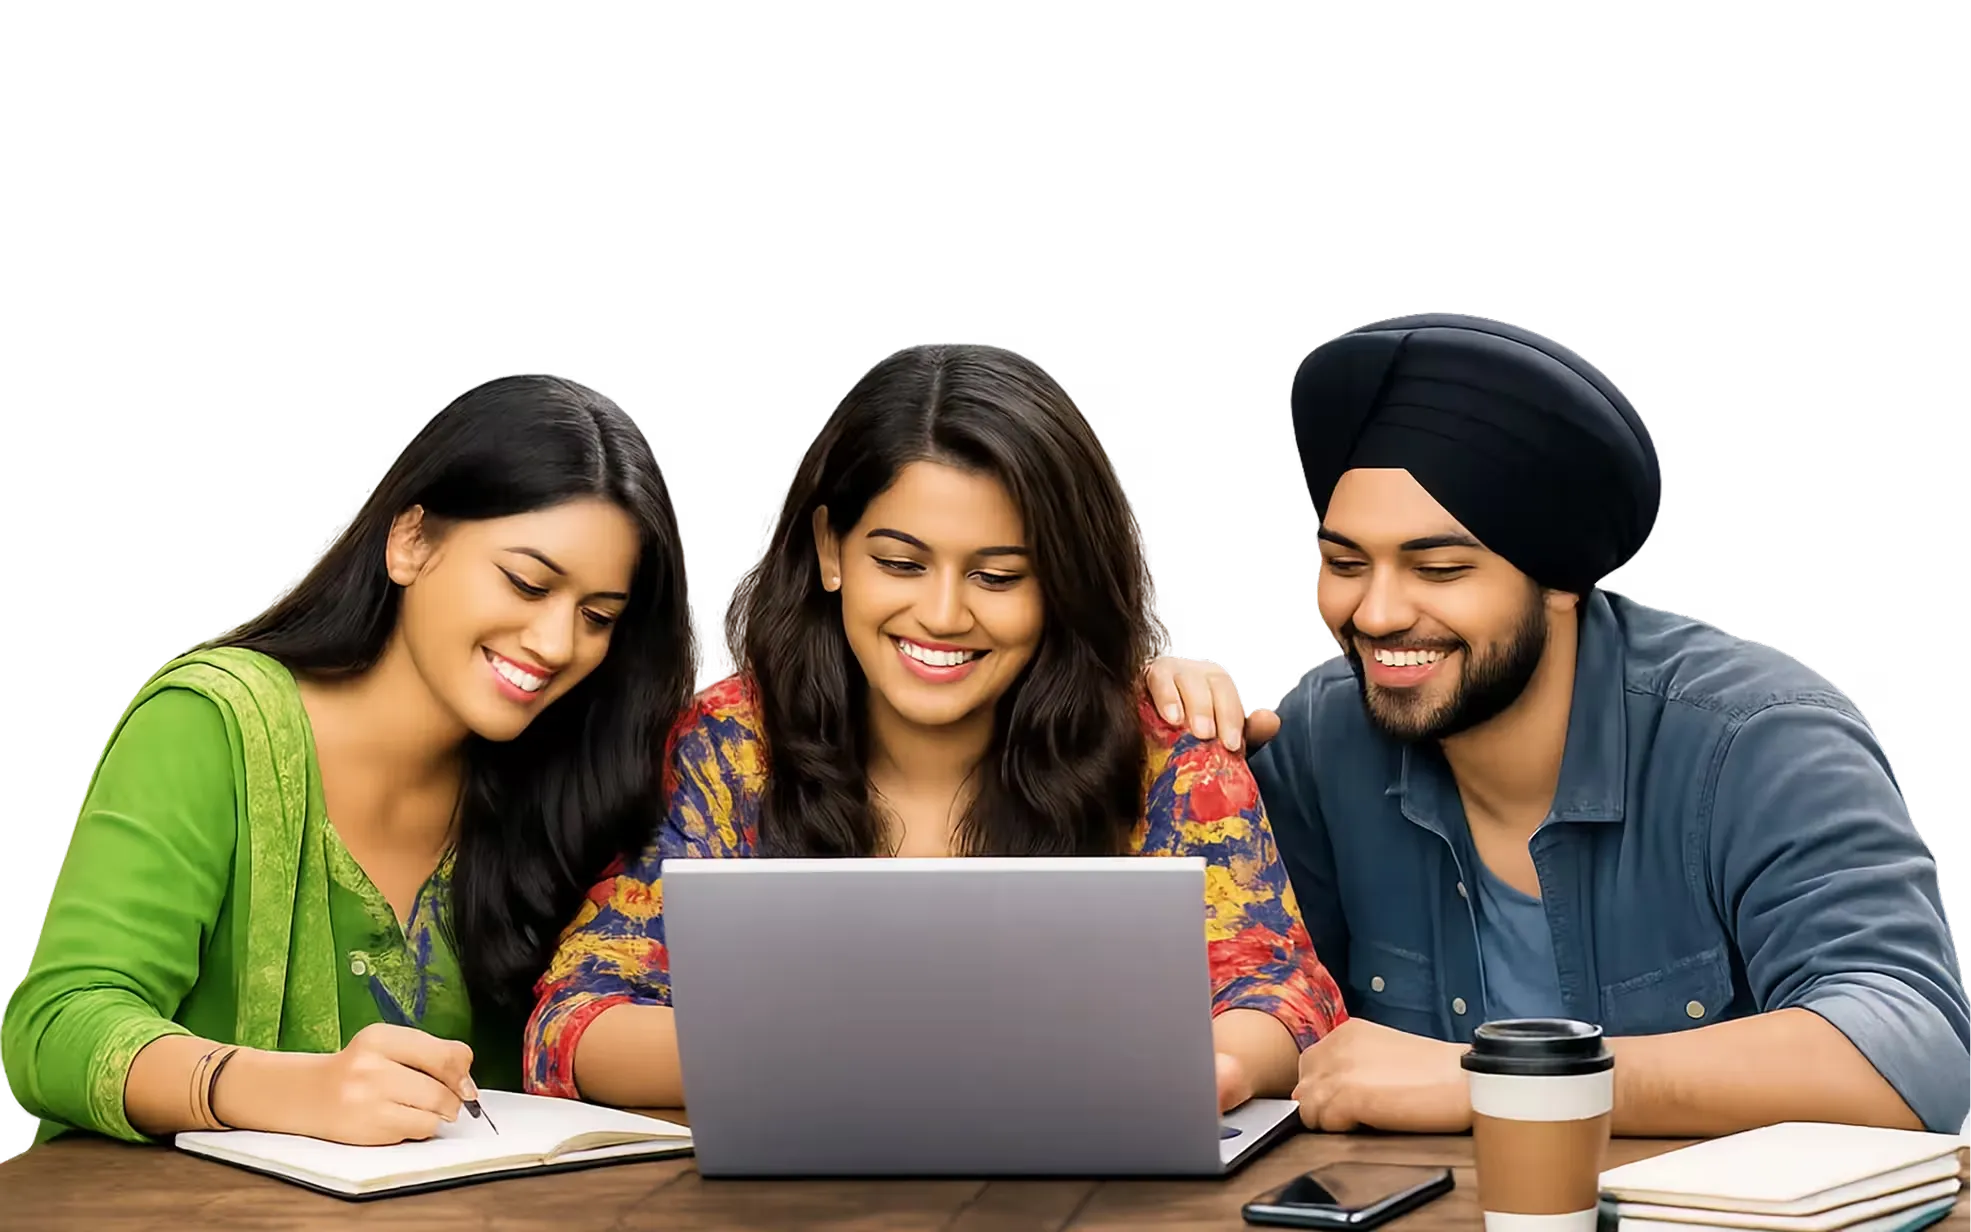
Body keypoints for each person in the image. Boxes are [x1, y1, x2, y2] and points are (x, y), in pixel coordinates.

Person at [522, 341, 1347, 1114]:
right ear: (831, 551)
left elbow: (1283, 994)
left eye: (997, 576)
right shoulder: (727, 746)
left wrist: (1200, 1073)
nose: (943, 614)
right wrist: (854, 1058)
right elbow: (576, 1020)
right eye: (901, 564)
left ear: (1060, 581)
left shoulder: (1166, 747)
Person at [1248, 314, 1971, 1137]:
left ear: (1560, 579)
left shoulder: (1756, 738)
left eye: (1439, 569)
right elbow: (1246, 999)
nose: (1374, 614)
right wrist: (1162, 734)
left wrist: (1508, 1081)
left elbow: (1912, 1053)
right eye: (1344, 564)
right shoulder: (1318, 740)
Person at [0, 372, 705, 1148]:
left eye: (597, 617)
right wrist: (285, 1090)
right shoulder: (212, 725)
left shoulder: (564, 787)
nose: (556, 643)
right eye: (526, 583)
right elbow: (54, 1029)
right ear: (411, 541)